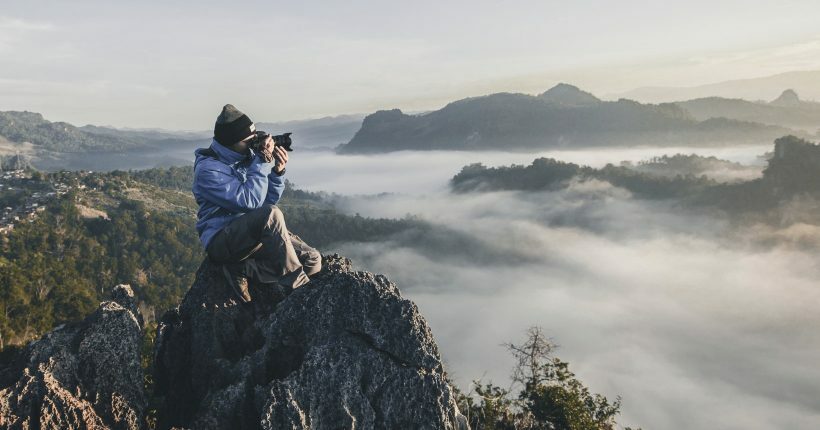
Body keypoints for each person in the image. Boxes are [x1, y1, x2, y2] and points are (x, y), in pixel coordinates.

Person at [192, 104, 321, 302]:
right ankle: (298, 289)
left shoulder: (246, 157)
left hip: (251, 237)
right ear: (231, 142)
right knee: (272, 214)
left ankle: (243, 270)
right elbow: (250, 203)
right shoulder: (208, 170)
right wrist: (260, 162)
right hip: (223, 241)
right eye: (248, 141)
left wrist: (277, 173)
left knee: (312, 260)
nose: (254, 144)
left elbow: (264, 203)